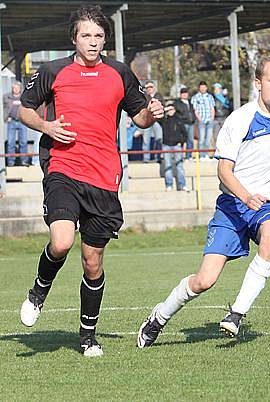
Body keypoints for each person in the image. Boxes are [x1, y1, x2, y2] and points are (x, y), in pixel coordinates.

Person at [17, 5, 164, 356]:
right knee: (63, 240)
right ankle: (39, 290)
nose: (93, 42)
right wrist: (47, 126)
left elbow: (139, 117)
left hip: (104, 176)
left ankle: (87, 336)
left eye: (99, 36)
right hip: (63, 168)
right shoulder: (53, 71)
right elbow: (23, 109)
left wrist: (151, 114)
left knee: (92, 261)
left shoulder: (119, 73)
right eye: (87, 35)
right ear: (74, 39)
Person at [137, 55, 270, 347]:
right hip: (234, 205)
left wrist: (260, 197)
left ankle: (237, 314)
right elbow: (223, 171)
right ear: (258, 84)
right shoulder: (240, 119)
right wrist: (246, 196)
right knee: (205, 280)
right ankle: (159, 317)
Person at [161, 103, 189, 192]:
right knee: (167, 166)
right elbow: (157, 117)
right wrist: (165, 109)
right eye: (169, 110)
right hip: (166, 146)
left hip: (177, 146)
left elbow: (185, 133)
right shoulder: (164, 120)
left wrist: (181, 143)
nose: (170, 111)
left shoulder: (179, 120)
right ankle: (169, 185)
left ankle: (182, 185)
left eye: (172, 109)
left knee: (179, 166)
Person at [4, 82, 29, 166]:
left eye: (17, 88)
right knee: (11, 142)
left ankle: (24, 160)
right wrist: (6, 117)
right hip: (12, 122)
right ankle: (11, 161)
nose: (15, 90)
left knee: (23, 142)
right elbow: (4, 108)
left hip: (22, 121)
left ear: (20, 88)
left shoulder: (24, 97)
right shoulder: (7, 97)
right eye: (14, 88)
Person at [191, 80, 215, 159]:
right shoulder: (195, 97)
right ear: (199, 88)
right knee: (201, 139)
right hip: (201, 120)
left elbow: (212, 108)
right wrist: (200, 119)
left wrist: (212, 118)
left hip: (209, 120)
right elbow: (195, 110)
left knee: (208, 139)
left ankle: (206, 155)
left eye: (204, 87)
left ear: (206, 88)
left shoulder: (210, 97)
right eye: (201, 87)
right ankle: (201, 155)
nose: (203, 89)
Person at [142, 81, 164, 162]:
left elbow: (162, 106)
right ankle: (146, 158)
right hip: (147, 120)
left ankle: (158, 157)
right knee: (146, 140)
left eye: (150, 87)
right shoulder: (144, 96)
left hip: (157, 121)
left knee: (159, 139)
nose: (149, 89)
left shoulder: (159, 96)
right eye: (147, 87)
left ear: (154, 87)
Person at [173, 87, 196, 159]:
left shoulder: (190, 102)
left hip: (191, 123)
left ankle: (189, 155)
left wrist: (193, 119)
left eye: (186, 93)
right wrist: (181, 120)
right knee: (181, 140)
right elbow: (178, 113)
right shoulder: (177, 103)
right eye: (183, 93)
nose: (184, 95)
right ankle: (179, 156)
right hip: (182, 124)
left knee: (190, 140)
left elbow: (192, 112)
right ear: (180, 94)